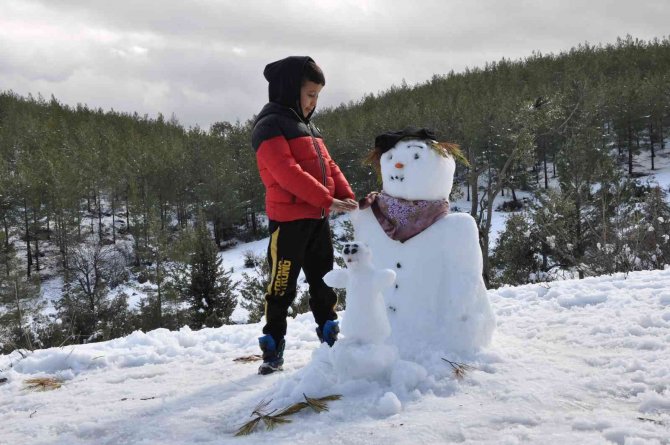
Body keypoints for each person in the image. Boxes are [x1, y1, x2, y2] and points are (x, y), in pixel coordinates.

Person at [251, 56, 358, 375]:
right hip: (288, 223)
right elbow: (287, 172)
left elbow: (331, 166)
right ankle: (273, 345)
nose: (313, 103)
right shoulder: (268, 125)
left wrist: (346, 195)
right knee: (281, 286)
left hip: (317, 219)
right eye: (309, 94)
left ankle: (329, 334)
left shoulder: (309, 127)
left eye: (317, 96)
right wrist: (328, 199)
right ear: (288, 89)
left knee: (323, 281)